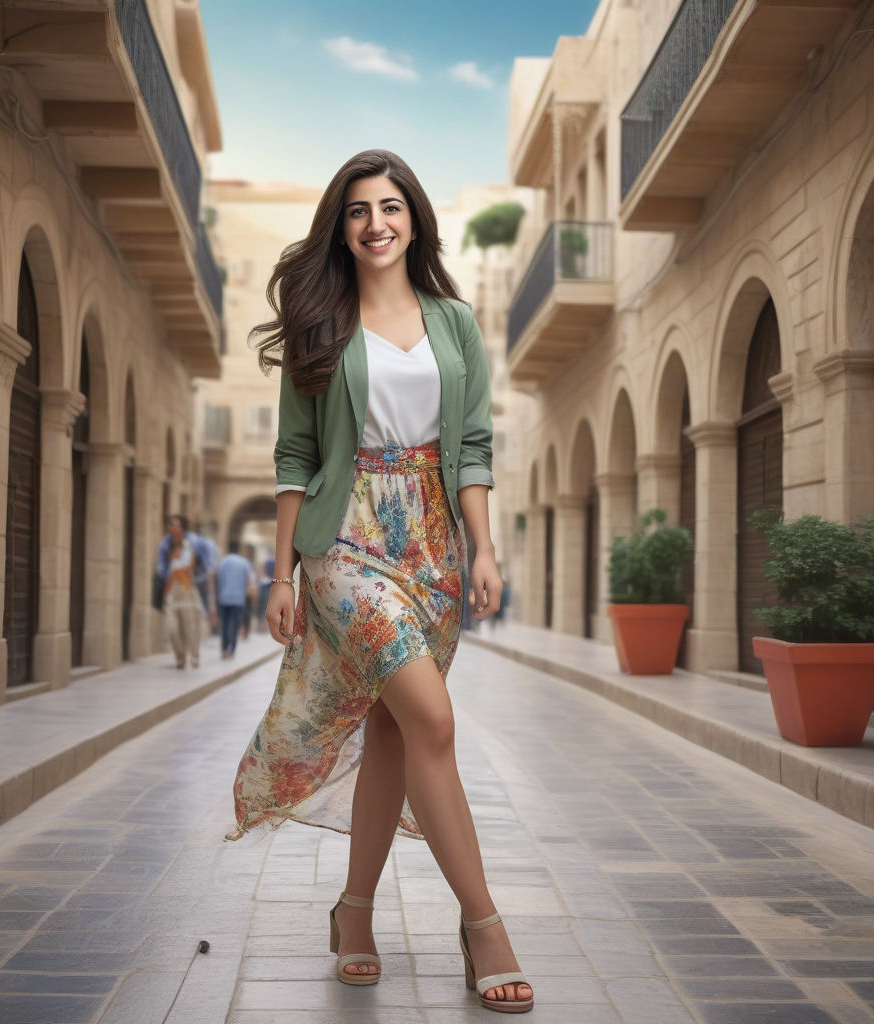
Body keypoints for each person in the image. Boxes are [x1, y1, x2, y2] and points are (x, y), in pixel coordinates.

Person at [226, 150, 533, 1013]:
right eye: (359, 210)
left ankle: (352, 913)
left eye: (391, 207)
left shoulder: (454, 323)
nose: (376, 223)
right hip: (345, 540)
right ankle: (484, 928)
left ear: (413, 219)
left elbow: (472, 447)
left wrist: (481, 548)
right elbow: (294, 452)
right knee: (432, 716)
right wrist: (284, 567)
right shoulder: (321, 320)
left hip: (432, 546)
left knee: (399, 737)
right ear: (343, 226)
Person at [155, 514, 207, 669]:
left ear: (182, 527)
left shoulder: (194, 542)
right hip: (172, 590)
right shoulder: (165, 545)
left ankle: (194, 656)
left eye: (177, 524)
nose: (174, 528)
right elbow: (160, 568)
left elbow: (204, 564)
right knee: (172, 629)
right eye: (171, 525)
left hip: (189, 590)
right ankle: (180, 656)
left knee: (190, 627)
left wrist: (195, 578)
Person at [216, 540, 257, 658]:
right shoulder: (245, 563)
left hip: (223, 598)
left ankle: (224, 649)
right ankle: (232, 649)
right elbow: (250, 582)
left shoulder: (223, 562)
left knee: (224, 624)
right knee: (234, 624)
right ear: (239, 550)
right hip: (238, 600)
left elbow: (218, 579)